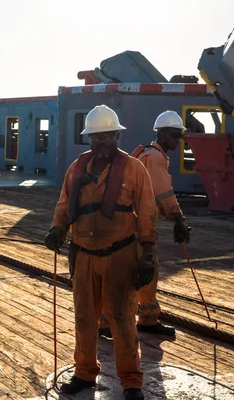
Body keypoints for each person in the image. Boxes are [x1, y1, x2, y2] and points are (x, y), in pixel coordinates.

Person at [45, 105, 158, 400]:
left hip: (119, 255)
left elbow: (146, 211)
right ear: (89, 139)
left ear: (117, 136)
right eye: (95, 137)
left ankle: (131, 381)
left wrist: (146, 254)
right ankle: (84, 373)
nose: (101, 143)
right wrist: (58, 228)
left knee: (122, 319)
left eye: (107, 136)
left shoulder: (135, 169)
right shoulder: (77, 167)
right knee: (84, 318)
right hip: (83, 254)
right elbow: (64, 202)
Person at [130, 110, 191, 336]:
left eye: (179, 137)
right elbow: (164, 194)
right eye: (175, 136)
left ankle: (108, 321)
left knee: (125, 270)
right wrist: (179, 220)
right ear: (162, 133)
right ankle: (146, 319)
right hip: (140, 224)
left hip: (132, 221)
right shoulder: (155, 158)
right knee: (147, 269)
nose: (177, 142)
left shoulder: (147, 154)